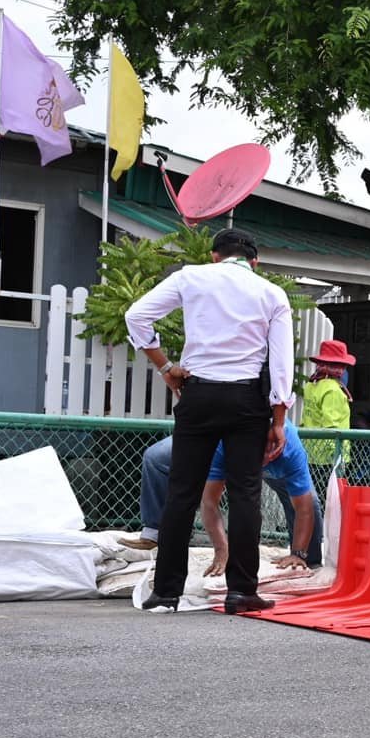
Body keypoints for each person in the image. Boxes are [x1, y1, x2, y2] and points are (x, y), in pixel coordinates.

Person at [124, 227, 293, 613]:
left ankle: (165, 591)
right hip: (247, 399)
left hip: (197, 394)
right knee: (246, 494)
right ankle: (241, 591)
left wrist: (165, 366)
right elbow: (281, 364)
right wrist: (278, 419)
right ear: (254, 262)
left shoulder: (190, 277)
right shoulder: (272, 293)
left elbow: (136, 316)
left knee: (182, 491)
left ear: (215, 256)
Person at [127, 425, 322, 569]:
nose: (263, 458)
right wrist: (222, 550)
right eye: (260, 454)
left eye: (268, 453)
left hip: (272, 462)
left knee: (310, 502)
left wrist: (298, 553)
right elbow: (209, 502)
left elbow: (304, 507)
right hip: (219, 436)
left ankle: (308, 561)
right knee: (155, 457)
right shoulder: (222, 446)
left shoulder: (290, 450)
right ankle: (155, 531)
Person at [301, 338, 354, 485]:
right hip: (330, 459)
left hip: (311, 454)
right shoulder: (333, 390)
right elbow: (333, 427)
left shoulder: (311, 385)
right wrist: (338, 457)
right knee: (331, 501)